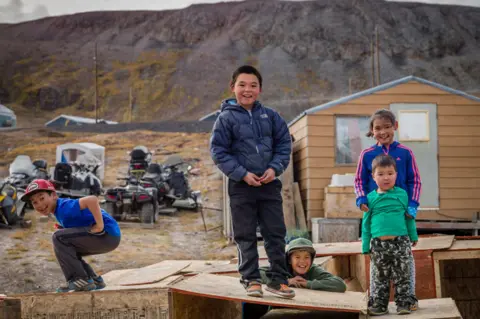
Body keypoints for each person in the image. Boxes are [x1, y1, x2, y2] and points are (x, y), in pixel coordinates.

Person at [210, 65, 294, 299]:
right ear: (233, 87)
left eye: (253, 85)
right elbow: (218, 151)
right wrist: (242, 174)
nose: (247, 90)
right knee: (245, 234)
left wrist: (274, 169)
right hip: (241, 186)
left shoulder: (272, 116)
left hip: (269, 184)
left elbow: (284, 145)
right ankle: (251, 279)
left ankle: (278, 280)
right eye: (242, 85)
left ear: (260, 89)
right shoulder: (225, 119)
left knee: (275, 232)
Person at [354, 108, 421, 310]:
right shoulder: (367, 154)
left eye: (387, 127)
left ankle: (407, 301)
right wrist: (361, 199)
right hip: (377, 213)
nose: (383, 132)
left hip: (401, 213)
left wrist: (413, 205)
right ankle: (378, 303)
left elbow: (415, 180)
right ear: (372, 131)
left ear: (396, 127)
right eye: (377, 128)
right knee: (378, 270)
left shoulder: (405, 153)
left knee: (405, 266)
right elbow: (359, 180)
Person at [21, 179, 121, 293]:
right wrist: (66, 230)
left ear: (53, 195)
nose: (39, 204)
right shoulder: (59, 211)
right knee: (67, 247)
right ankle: (93, 279)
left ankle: (79, 279)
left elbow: (92, 200)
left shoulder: (64, 206)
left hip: (107, 234)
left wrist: (100, 225)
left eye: (42, 198)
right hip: (110, 237)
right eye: (34, 202)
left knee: (58, 238)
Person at [362, 154, 418, 315]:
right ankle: (380, 305)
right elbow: (365, 224)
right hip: (378, 244)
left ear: (396, 175)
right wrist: (365, 245)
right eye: (380, 174)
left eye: (390, 173)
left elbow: (409, 218)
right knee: (380, 276)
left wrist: (413, 235)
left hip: (401, 242)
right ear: (373, 177)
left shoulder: (402, 195)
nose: (386, 178)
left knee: (403, 274)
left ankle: (403, 303)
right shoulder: (370, 198)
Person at [242, 238, 347, 318]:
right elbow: (259, 272)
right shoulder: (281, 267)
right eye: (297, 257)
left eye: (307, 257)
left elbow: (339, 284)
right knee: (250, 305)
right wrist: (285, 281)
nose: (302, 262)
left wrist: (308, 284)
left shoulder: (313, 270)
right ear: (289, 260)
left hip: (305, 310)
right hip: (279, 310)